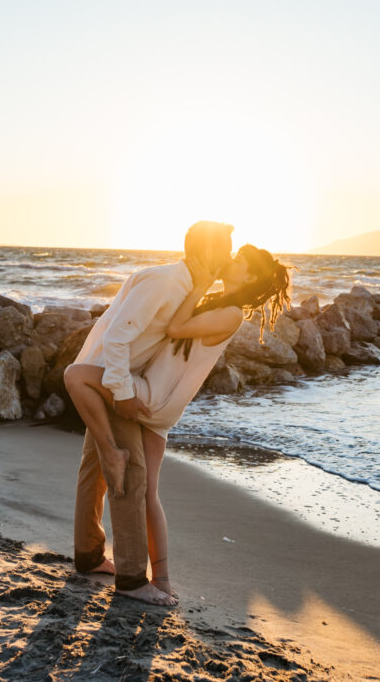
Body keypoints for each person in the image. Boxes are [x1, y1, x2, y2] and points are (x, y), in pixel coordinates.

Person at [65, 242, 291, 600]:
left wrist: (200, 283)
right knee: (146, 491)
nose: (230, 262)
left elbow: (177, 325)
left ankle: (138, 577)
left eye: (238, 261)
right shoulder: (219, 303)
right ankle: (161, 579)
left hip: (154, 395)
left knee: (78, 376)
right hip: (159, 397)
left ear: (250, 276)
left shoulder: (231, 312)